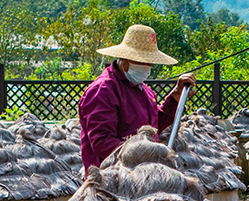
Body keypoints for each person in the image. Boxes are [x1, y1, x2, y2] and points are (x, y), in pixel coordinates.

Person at [79, 24, 196, 171]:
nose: (147, 66)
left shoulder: (143, 90)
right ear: (124, 59)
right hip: (112, 178)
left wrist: (175, 97)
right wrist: (145, 153)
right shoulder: (103, 90)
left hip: (143, 173)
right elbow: (102, 142)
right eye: (142, 61)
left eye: (150, 62)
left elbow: (155, 126)